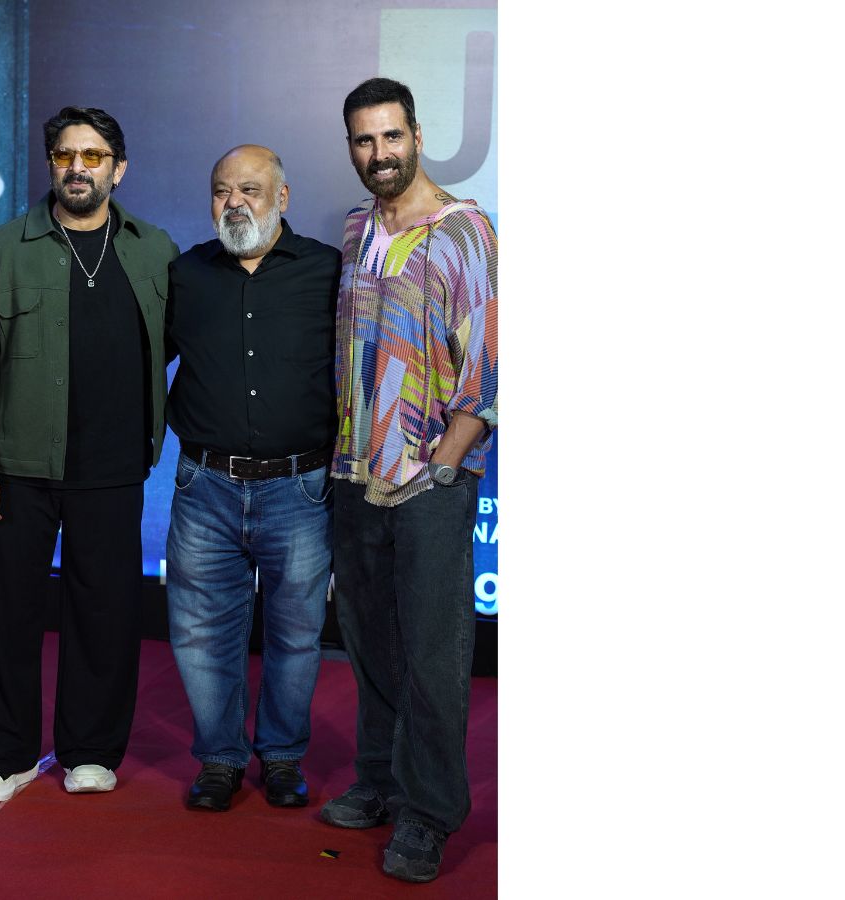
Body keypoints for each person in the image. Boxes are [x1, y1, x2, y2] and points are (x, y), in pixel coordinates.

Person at [319, 78, 498, 883]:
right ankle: (381, 783)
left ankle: (429, 815)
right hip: (356, 474)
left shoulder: (465, 231)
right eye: (364, 140)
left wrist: (446, 465)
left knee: (432, 656)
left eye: (391, 137)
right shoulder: (358, 229)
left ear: (417, 137)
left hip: (429, 482)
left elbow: (489, 367)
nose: (379, 153)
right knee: (372, 646)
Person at [0, 106, 179, 802]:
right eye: (65, 155)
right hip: (18, 466)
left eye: (93, 156)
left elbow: (172, 343)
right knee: (7, 614)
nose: (78, 167)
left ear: (117, 169)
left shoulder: (154, 249)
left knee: (105, 615)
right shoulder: (3, 249)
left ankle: (91, 751)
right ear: (51, 165)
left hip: (113, 467)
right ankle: (5, 753)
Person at [164, 145, 341, 813]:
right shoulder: (186, 274)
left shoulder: (327, 271)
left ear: (282, 198)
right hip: (204, 487)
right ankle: (219, 760)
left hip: (300, 488)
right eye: (221, 190)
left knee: (296, 634)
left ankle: (283, 758)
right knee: (200, 633)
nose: (233, 202)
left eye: (250, 189)